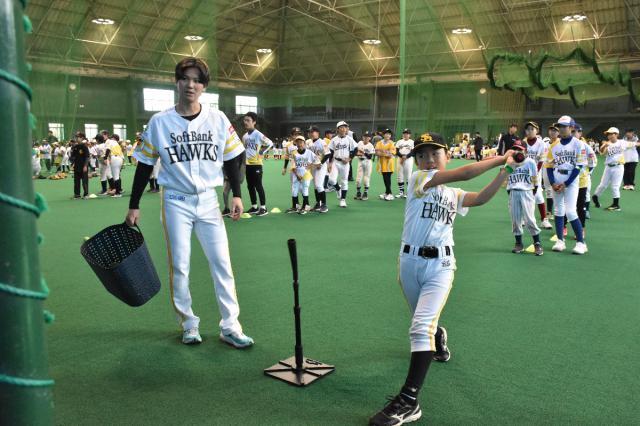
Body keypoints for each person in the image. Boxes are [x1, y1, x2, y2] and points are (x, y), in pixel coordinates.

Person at [369, 132, 517, 425]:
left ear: (446, 156)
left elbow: (480, 198)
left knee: (418, 327)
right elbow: (464, 173)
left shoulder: (452, 195)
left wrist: (507, 171)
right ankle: (438, 337)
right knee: (421, 322)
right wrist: (503, 156)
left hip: (441, 265)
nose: (427, 160)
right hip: (409, 263)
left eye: (434, 154)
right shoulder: (418, 181)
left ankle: (409, 400)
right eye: (421, 155)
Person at [126, 56, 253, 348]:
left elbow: (232, 157)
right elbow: (144, 165)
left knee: (222, 263)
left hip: (209, 201)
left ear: (204, 86)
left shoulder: (217, 119)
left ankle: (230, 326)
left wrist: (236, 194)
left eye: (197, 80)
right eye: (185, 78)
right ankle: (188, 323)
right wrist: (134, 204)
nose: (191, 84)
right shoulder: (160, 122)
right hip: (175, 201)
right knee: (180, 266)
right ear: (177, 82)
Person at [545, 116, 587, 254]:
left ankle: (581, 243)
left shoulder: (578, 144)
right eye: (560, 126)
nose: (562, 129)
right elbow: (549, 166)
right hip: (557, 177)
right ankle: (560, 241)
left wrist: (566, 183)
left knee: (570, 211)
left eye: (565, 126)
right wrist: (552, 182)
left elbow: (579, 166)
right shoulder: (554, 146)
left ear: (572, 127)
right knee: (558, 211)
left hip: (571, 178)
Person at [507, 141, 543, 255]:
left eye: (520, 149)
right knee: (515, 219)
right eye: (515, 149)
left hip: (527, 192)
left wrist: (533, 191)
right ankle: (518, 243)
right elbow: (507, 177)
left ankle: (537, 243)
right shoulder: (510, 163)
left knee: (530, 219)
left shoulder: (530, 162)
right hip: (514, 192)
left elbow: (535, 178)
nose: (518, 151)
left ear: (525, 151)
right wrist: (510, 190)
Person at [592, 127, 640, 211]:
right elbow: (602, 153)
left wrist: (637, 143)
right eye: (608, 134)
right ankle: (595, 197)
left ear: (616, 134)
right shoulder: (607, 143)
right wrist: (604, 146)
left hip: (618, 167)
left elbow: (636, 144)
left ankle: (616, 205)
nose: (609, 136)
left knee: (615, 186)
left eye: (611, 134)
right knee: (602, 185)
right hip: (608, 167)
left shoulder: (622, 142)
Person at [242, 111, 273, 216]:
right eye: (245, 120)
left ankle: (263, 208)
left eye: (248, 120)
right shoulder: (245, 136)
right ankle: (254, 207)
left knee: (258, 185)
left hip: (256, 164)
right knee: (249, 186)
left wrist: (261, 152)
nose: (245, 122)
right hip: (247, 164)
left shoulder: (258, 134)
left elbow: (270, 143)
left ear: (254, 122)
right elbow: (244, 149)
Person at [523, 121, 552, 229]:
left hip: (536, 174)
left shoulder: (541, 144)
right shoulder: (523, 143)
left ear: (537, 130)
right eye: (527, 129)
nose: (530, 131)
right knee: (523, 195)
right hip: (524, 174)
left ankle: (544, 219)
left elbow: (541, 160)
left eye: (532, 129)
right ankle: (523, 218)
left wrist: (534, 174)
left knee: (538, 196)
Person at [326, 121, 357, 208]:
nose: (344, 129)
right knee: (331, 180)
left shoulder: (349, 139)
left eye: (345, 127)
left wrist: (349, 158)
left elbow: (356, 149)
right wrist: (329, 163)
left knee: (344, 181)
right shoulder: (333, 140)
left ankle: (342, 200)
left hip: (345, 163)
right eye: (342, 127)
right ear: (337, 129)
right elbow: (330, 152)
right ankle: (338, 188)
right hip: (336, 162)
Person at [286, 135, 317, 214]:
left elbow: (318, 162)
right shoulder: (294, 153)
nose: (299, 144)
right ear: (296, 143)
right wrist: (297, 174)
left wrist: (311, 165)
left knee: (305, 189)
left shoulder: (310, 153)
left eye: (301, 142)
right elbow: (293, 165)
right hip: (296, 173)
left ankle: (306, 206)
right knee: (294, 190)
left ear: (304, 143)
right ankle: (295, 207)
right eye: (298, 142)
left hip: (306, 173)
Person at [308, 125, 329, 213]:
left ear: (317, 133)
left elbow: (328, 154)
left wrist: (321, 163)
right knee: (316, 186)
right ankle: (318, 203)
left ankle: (324, 205)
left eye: (313, 132)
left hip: (320, 166)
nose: (311, 133)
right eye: (310, 132)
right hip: (313, 166)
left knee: (319, 185)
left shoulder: (322, 142)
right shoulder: (309, 142)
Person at [376, 129, 396, 201]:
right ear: (383, 135)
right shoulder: (379, 143)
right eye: (386, 134)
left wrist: (382, 152)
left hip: (389, 164)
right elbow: (377, 152)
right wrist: (385, 152)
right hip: (382, 164)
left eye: (389, 134)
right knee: (385, 178)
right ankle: (387, 192)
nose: (387, 135)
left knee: (387, 178)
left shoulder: (392, 143)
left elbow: (390, 155)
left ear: (390, 136)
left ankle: (390, 194)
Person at [355, 131, 375, 201]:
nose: (366, 138)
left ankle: (365, 193)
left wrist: (363, 152)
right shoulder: (359, 143)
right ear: (362, 137)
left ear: (370, 138)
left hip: (367, 162)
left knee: (366, 179)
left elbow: (370, 157)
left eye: (367, 136)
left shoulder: (370, 145)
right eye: (364, 136)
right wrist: (358, 153)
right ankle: (358, 192)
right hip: (360, 161)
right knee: (358, 179)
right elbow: (356, 152)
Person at [70, 132, 90, 199]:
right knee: (76, 181)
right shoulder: (75, 147)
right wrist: (72, 163)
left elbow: (87, 157)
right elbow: (73, 156)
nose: (76, 138)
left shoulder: (84, 147)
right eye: (76, 137)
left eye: (78, 137)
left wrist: (85, 166)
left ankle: (86, 194)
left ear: (82, 138)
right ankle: (77, 194)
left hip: (83, 166)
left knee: (84, 181)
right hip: (76, 167)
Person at [395, 129, 414, 198]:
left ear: (409, 135)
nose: (405, 135)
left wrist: (406, 156)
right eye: (404, 133)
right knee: (400, 176)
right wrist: (402, 156)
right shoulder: (399, 142)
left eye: (407, 133)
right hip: (400, 159)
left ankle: (408, 193)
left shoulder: (412, 142)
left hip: (408, 160)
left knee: (408, 176)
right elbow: (396, 151)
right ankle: (401, 192)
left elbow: (412, 152)